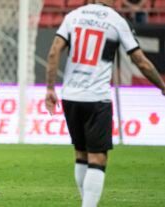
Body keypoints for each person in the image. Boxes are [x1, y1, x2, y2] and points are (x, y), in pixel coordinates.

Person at [45, 0, 165, 206]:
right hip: (96, 98)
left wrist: (49, 88)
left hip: (70, 97)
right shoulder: (116, 21)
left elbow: (54, 51)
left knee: (81, 154)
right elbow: (141, 61)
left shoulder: (73, 16)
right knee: (98, 158)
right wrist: (161, 85)